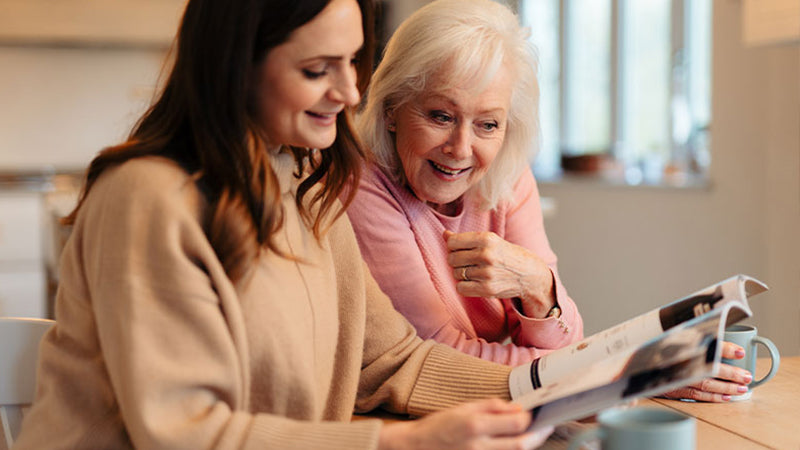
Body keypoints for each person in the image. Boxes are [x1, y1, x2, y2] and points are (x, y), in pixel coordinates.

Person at [13, 0, 552, 448]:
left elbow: (389, 359)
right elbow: (185, 432)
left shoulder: (308, 183)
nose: (350, 93)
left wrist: (551, 388)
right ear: (237, 65)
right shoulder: (148, 198)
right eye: (317, 69)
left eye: (352, 62)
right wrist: (400, 443)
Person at [348, 0, 752, 402]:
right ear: (391, 109)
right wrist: (624, 373)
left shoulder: (507, 175)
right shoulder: (361, 184)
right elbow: (438, 363)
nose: (461, 148)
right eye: (440, 116)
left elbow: (564, 344)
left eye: (488, 124)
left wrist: (538, 284)